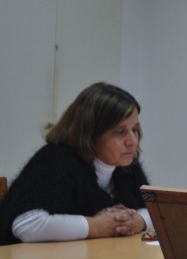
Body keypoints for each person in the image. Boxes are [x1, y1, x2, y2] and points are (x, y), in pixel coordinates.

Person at [0, 82, 151, 245]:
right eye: (121, 132)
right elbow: (26, 225)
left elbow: (158, 211)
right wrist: (98, 225)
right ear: (90, 132)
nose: (132, 141)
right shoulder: (55, 160)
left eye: (134, 130)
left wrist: (138, 221)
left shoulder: (128, 165)